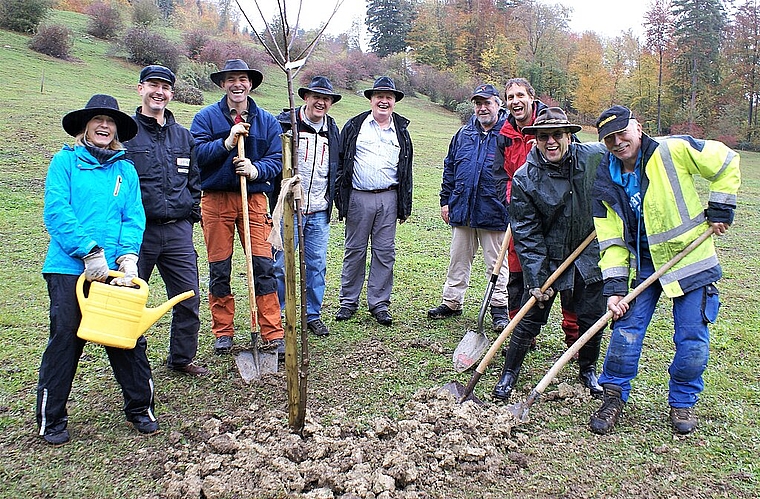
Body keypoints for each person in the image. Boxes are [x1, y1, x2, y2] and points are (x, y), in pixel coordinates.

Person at [589, 106, 740, 435]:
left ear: (638, 128)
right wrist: (615, 289)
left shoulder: (673, 149)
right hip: (642, 268)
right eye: (609, 138)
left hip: (690, 262)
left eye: (621, 132)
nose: (617, 141)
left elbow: (726, 160)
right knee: (625, 332)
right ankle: (613, 396)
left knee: (692, 340)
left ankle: (682, 402)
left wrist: (721, 207)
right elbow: (611, 239)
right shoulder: (605, 178)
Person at [36, 94, 156, 445]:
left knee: (126, 338)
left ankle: (139, 408)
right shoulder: (65, 163)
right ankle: (51, 418)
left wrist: (128, 256)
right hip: (69, 267)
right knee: (66, 338)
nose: (104, 125)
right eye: (98, 119)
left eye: (111, 121)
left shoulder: (126, 169)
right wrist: (89, 252)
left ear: (117, 129)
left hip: (117, 271)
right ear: (85, 126)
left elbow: (133, 216)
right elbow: (57, 212)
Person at [492, 107, 607, 402]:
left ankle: (588, 369)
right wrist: (535, 277)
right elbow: (526, 233)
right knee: (530, 316)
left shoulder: (593, 157)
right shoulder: (525, 178)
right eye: (544, 137)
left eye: (557, 134)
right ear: (535, 140)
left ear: (569, 135)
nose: (551, 142)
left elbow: (626, 158)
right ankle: (509, 373)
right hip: (548, 255)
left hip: (588, 252)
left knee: (591, 317)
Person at [189, 59, 284, 356]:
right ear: (222, 84)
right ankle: (223, 331)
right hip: (215, 200)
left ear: (251, 84)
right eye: (231, 79)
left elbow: (276, 160)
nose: (237, 84)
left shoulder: (267, 121)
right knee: (220, 268)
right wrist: (227, 143)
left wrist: (256, 170)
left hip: (254, 200)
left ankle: (271, 331)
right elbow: (198, 156)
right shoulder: (206, 118)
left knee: (262, 266)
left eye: (242, 78)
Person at [124, 65, 207, 376]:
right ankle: (132, 359)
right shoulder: (126, 135)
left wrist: (190, 215)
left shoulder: (183, 137)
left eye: (165, 87)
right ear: (140, 89)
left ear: (172, 93)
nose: (159, 92)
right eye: (153, 85)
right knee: (130, 298)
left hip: (177, 232)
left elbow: (195, 180)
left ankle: (181, 359)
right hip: (137, 233)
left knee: (188, 297)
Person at [494, 78, 580, 350]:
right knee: (518, 276)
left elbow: (573, 167)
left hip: (558, 217)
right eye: (510, 97)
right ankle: (520, 333)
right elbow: (500, 176)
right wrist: (515, 201)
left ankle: (574, 338)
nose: (515, 101)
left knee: (567, 280)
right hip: (524, 215)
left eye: (520, 95)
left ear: (532, 97)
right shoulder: (504, 134)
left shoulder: (552, 126)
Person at [427, 84, 510, 331]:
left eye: (487, 103)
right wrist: (445, 200)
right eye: (478, 103)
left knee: (496, 263)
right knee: (458, 259)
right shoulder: (463, 134)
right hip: (462, 207)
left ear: (498, 104)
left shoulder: (507, 134)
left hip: (494, 209)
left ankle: (498, 308)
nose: (482, 108)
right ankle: (452, 302)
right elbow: (450, 167)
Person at [334, 76, 413, 326]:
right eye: (379, 96)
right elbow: (340, 162)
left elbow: (406, 168)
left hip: (389, 198)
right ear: (370, 99)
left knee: (384, 253)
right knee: (354, 250)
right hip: (359, 197)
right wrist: (341, 198)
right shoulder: (354, 126)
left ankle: (379, 303)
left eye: (389, 97)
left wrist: (404, 204)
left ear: (394, 102)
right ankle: (348, 301)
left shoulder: (401, 130)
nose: (384, 101)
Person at [273, 76, 342, 337]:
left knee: (316, 264)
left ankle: (312, 314)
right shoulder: (286, 124)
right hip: (289, 210)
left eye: (326, 99)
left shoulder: (332, 130)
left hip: (319, 211)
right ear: (305, 97)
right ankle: (277, 314)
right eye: (316, 97)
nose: (321, 102)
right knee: (280, 264)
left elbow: (337, 168)